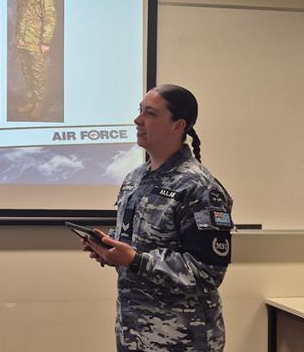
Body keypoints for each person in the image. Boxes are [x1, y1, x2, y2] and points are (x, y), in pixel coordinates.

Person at [81, 84, 233, 352]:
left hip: (183, 339)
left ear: (178, 125)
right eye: (140, 111)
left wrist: (135, 260)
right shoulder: (135, 180)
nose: (137, 120)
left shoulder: (199, 186)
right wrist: (109, 249)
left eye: (150, 114)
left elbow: (208, 271)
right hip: (134, 333)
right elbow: (139, 245)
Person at [14, 0, 57, 120]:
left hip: (36, 42)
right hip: (23, 41)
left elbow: (50, 19)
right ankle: (31, 100)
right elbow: (20, 17)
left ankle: (39, 103)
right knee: (27, 72)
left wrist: (45, 41)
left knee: (38, 73)